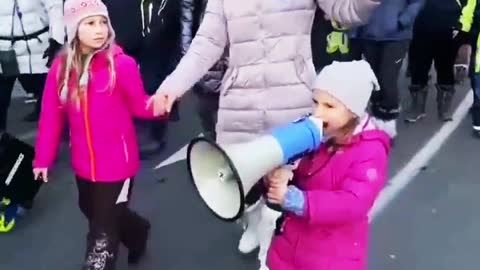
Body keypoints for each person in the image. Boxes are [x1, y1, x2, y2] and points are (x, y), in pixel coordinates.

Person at [149, 1, 380, 269]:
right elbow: (207, 42)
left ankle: (274, 243)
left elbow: (347, 11)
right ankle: (253, 220)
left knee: (288, 187)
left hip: (293, 103)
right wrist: (173, 86)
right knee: (237, 183)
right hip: (239, 106)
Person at [32, 0, 165, 268]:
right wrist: (42, 159)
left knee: (102, 234)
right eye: (90, 23)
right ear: (74, 29)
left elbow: (139, 104)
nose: (99, 29)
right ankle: (137, 231)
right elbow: (51, 116)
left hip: (118, 164)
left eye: (103, 22)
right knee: (90, 209)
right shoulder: (61, 70)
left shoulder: (122, 64)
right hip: (83, 162)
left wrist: (161, 105)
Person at [265, 60, 391, 270]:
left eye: (329, 106)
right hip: (290, 248)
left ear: (353, 111)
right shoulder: (318, 134)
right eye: (315, 102)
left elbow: (353, 203)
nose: (317, 113)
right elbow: (299, 171)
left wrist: (297, 200)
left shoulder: (370, 151)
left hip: (332, 257)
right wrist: (278, 175)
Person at [352, 0, 424, 138]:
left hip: (396, 36)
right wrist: (355, 30)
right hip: (368, 34)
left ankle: (389, 122)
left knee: (387, 78)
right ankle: (377, 118)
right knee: (374, 79)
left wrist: (403, 20)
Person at [406, 0, 477, 123]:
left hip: (450, 26)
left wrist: (461, 28)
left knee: (446, 69)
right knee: (419, 68)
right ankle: (417, 108)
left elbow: (469, 5)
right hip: (422, 25)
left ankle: (443, 109)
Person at [0, 0, 64, 132]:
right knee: (1, 98)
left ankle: (52, 141)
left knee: (48, 97)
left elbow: (55, 8)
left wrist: (57, 39)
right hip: (4, 50)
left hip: (39, 50)